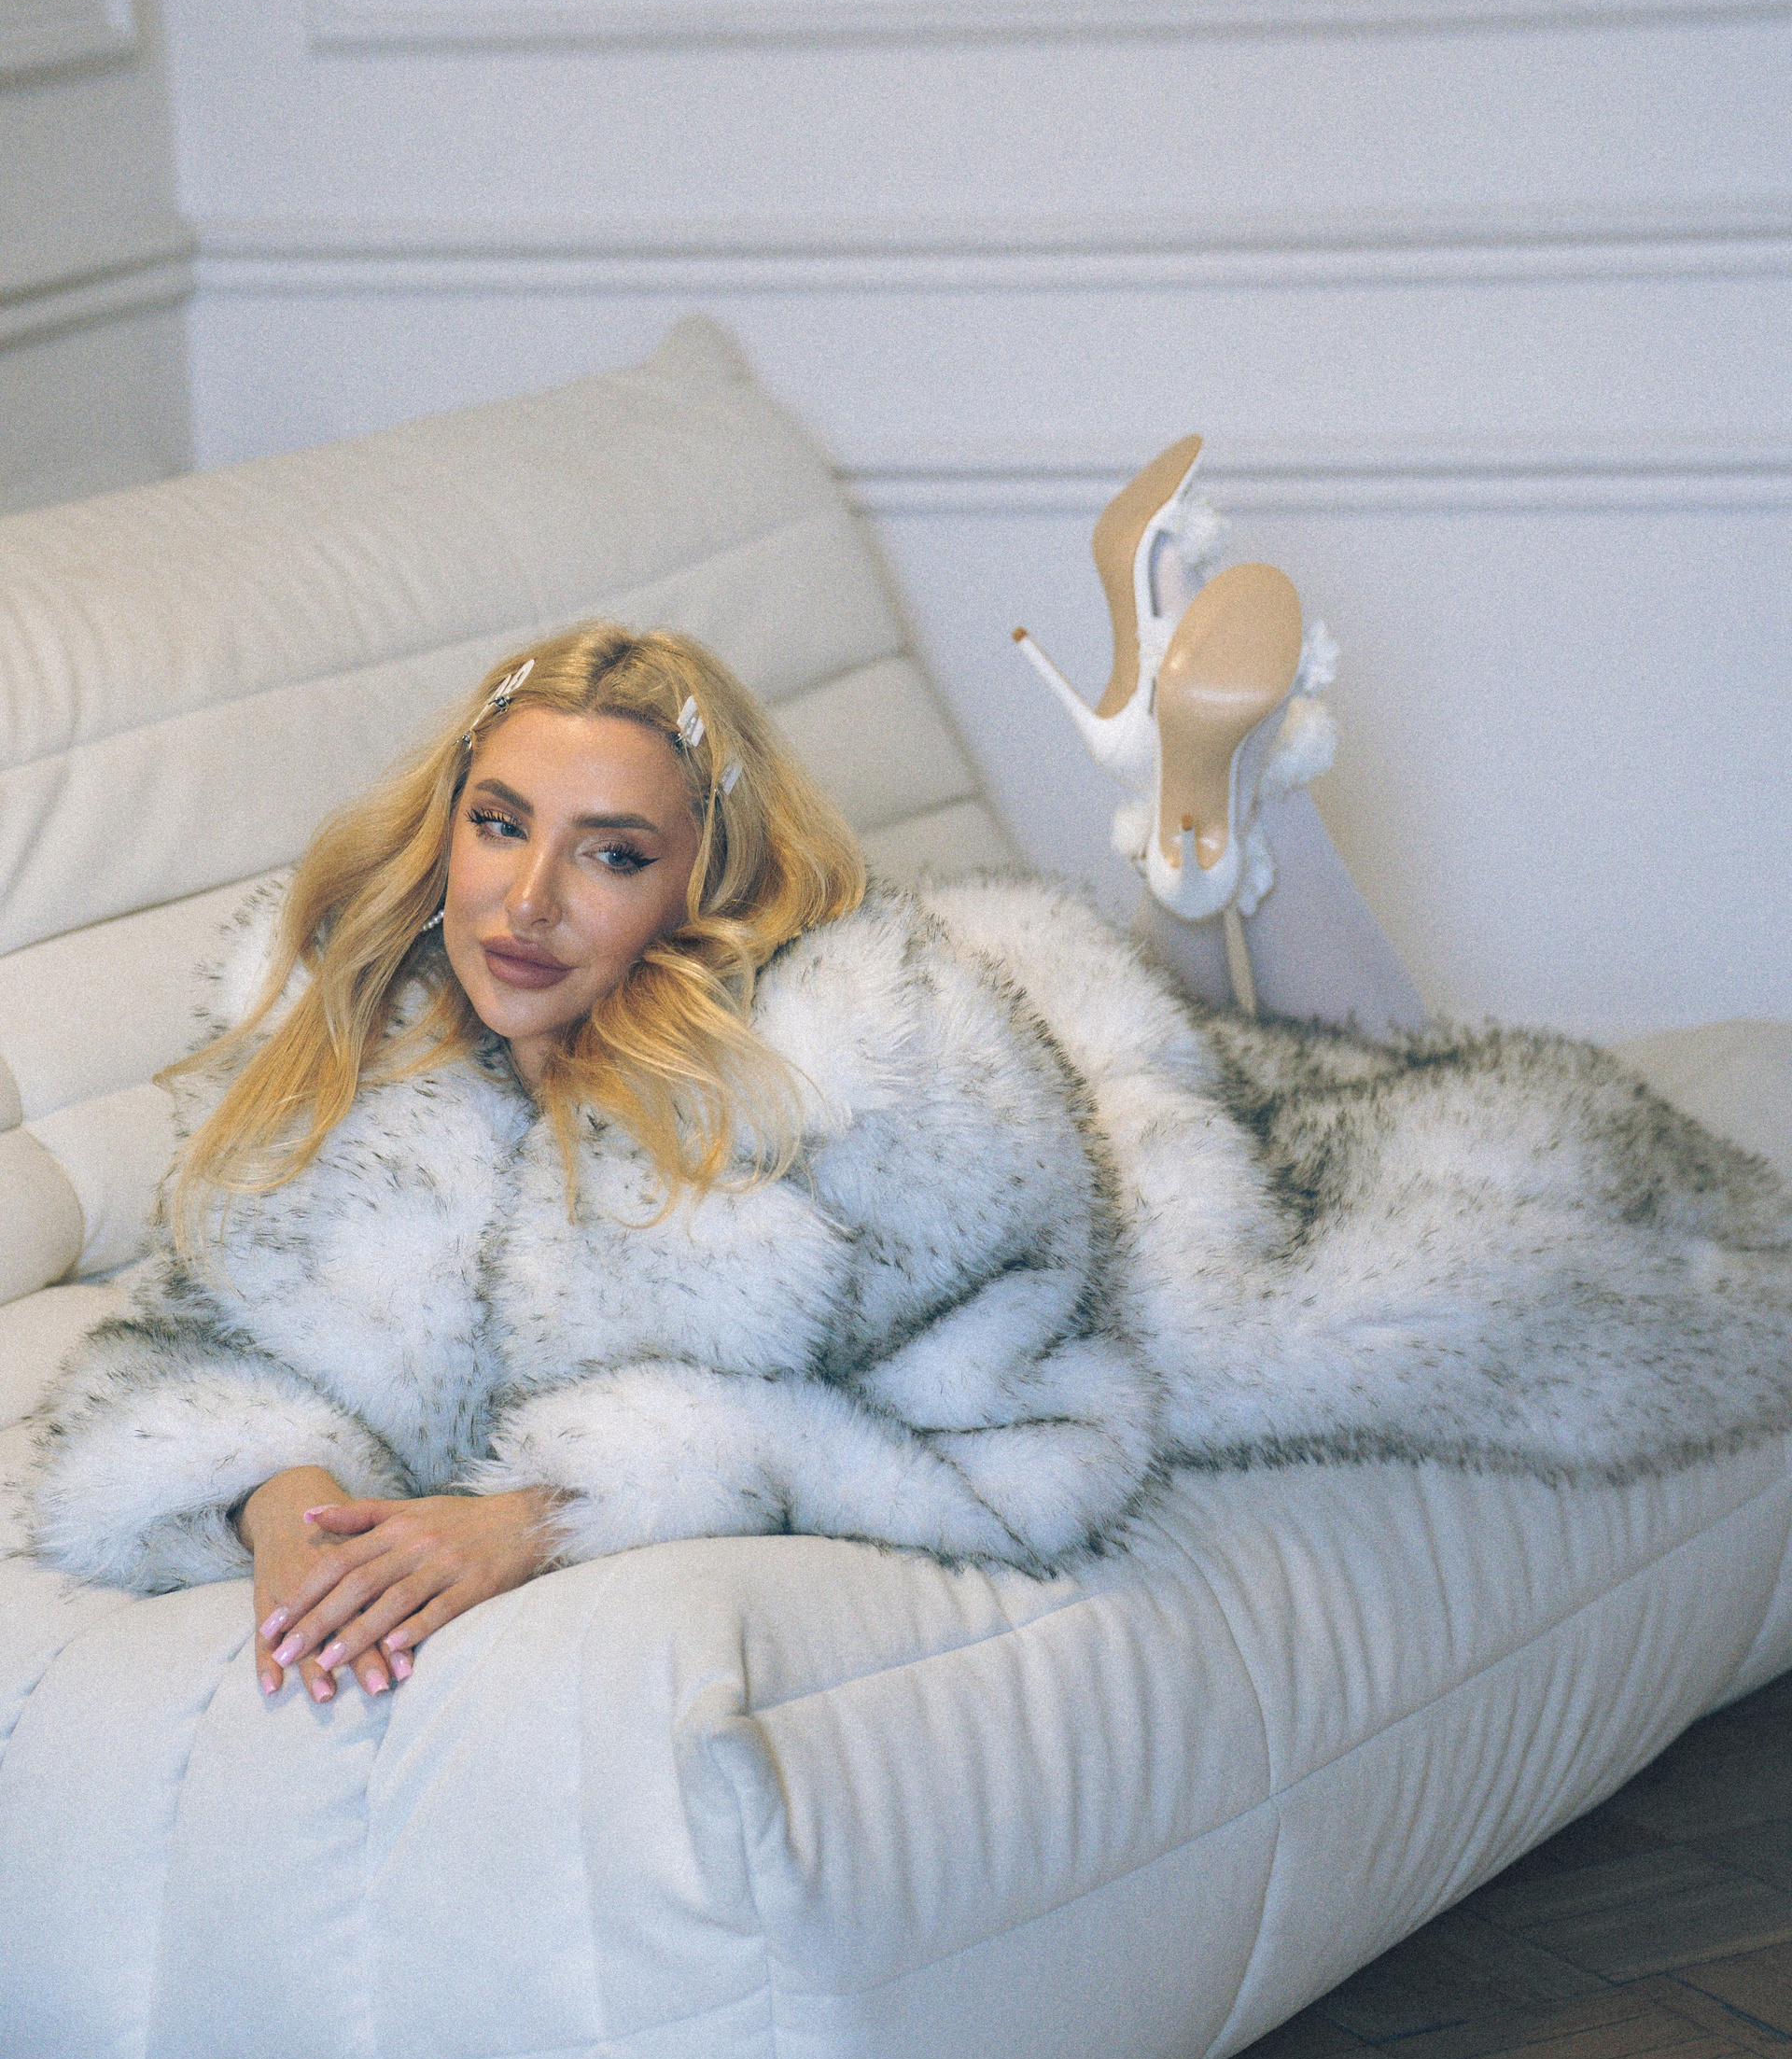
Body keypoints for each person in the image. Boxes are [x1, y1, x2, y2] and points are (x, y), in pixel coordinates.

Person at [29, 487, 1792, 1715]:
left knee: (1428, 1232)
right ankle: (1206, 829)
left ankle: (1225, 840)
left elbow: (1033, 1433)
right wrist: (285, 1505)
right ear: (446, 824)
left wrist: (545, 1509)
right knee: (1312, 1043)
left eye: (612, 853)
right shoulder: (341, 1052)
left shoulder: (864, 1081)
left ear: (701, 884)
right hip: (996, 1003)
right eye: (500, 825)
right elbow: (181, 1352)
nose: (527, 902)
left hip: (1091, 1145)